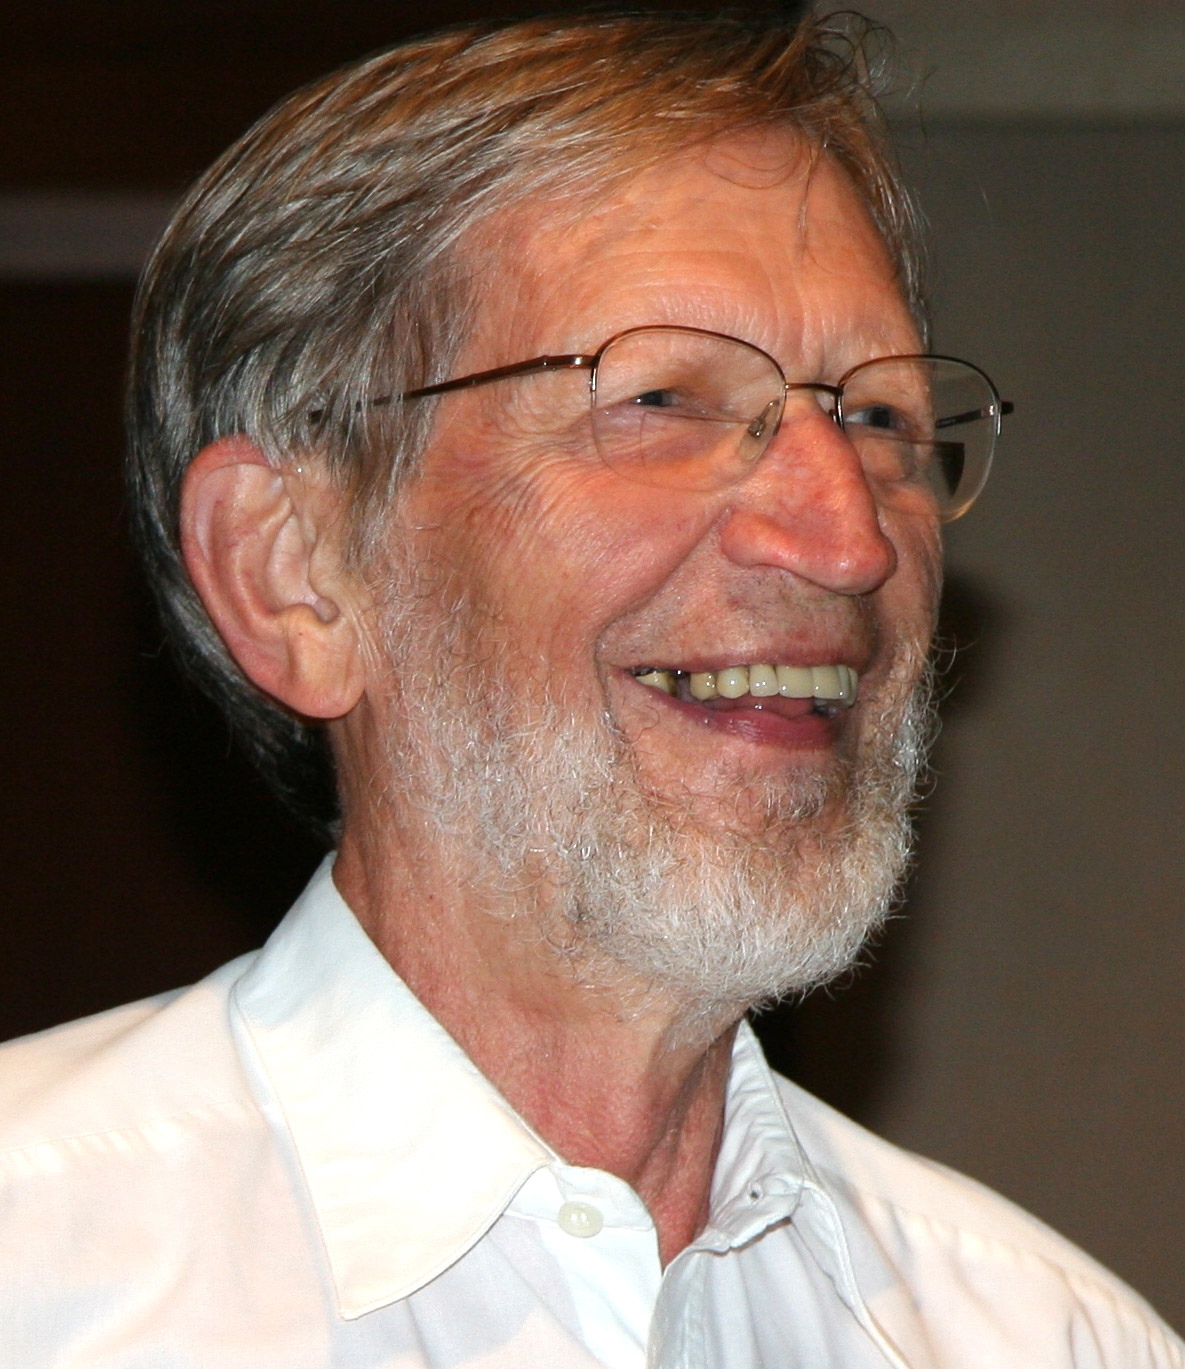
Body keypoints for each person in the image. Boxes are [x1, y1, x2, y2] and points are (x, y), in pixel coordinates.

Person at [1, 9, 1180, 1366]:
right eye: (663, 400)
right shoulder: (38, 1273)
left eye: (878, 418)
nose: (847, 539)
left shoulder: (1054, 1340)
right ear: (294, 571)